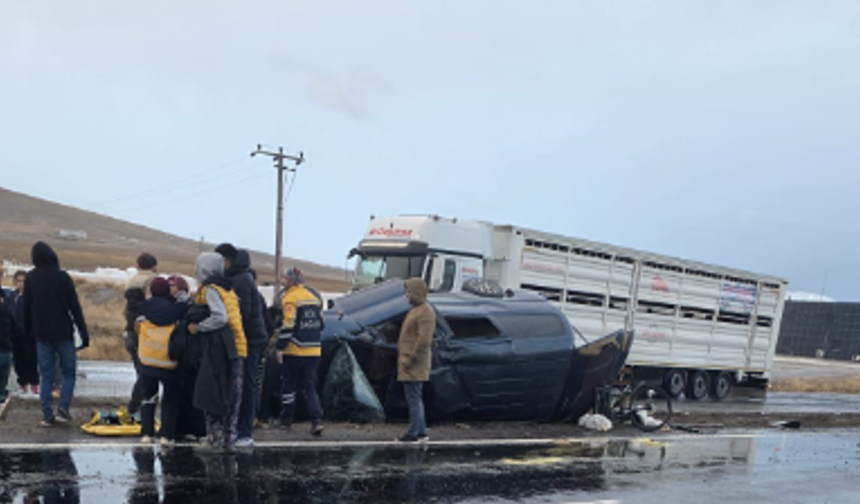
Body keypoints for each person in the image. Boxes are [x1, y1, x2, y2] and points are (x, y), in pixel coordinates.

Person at [22, 242, 89, 426]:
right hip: (63, 332)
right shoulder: (62, 277)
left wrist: (27, 332)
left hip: (41, 333)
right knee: (69, 372)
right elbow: (74, 307)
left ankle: (46, 413)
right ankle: (63, 408)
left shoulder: (31, 278)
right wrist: (83, 332)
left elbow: (26, 307)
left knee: (46, 374)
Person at [188, 252, 247, 449]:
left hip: (219, 348)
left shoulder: (211, 289)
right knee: (233, 394)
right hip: (236, 347)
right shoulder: (228, 288)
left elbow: (220, 317)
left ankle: (213, 437)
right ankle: (230, 438)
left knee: (213, 391)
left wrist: (198, 327)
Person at [215, 244, 269, 448]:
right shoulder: (240, 279)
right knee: (243, 384)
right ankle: (239, 428)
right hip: (248, 339)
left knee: (247, 385)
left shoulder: (241, 281)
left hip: (251, 341)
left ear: (227, 261)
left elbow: (242, 314)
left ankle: (245, 431)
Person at [134, 277, 186, 444]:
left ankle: (146, 433)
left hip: (147, 360)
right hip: (169, 361)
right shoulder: (177, 310)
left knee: (148, 397)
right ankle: (167, 435)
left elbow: (136, 329)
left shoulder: (142, 310)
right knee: (170, 399)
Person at [277, 267, 324, 435]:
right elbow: (321, 323)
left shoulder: (290, 298)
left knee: (289, 386)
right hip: (314, 349)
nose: (281, 281)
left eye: (283, 278)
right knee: (309, 387)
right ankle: (316, 420)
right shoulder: (314, 297)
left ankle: (286, 420)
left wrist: (280, 347)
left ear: (290, 281)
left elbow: (288, 325)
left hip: (295, 350)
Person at [396, 278, 435, 443]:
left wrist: (411, 358)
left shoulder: (425, 312)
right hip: (409, 361)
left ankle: (413, 432)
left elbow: (423, 340)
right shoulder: (416, 310)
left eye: (409, 292)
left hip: (414, 362)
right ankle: (420, 431)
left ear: (417, 292)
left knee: (413, 398)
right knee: (415, 397)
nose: (407, 295)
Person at [168, 275, 206, 441]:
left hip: (186, 352)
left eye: (173, 286)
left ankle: (188, 428)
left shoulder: (183, 304)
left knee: (186, 391)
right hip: (187, 352)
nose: (171, 289)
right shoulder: (182, 303)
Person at [124, 253, 158, 419]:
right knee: (146, 373)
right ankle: (136, 407)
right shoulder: (152, 281)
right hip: (143, 331)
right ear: (154, 266)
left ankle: (137, 406)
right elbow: (152, 306)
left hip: (130, 329)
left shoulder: (132, 280)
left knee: (140, 371)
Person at [10, 270, 39, 399]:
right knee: (18, 361)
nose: (21, 284)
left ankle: (33, 387)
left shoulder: (31, 297)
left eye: (23, 281)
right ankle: (22, 386)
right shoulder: (12, 296)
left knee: (30, 360)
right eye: (18, 281)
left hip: (29, 334)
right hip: (14, 334)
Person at [0, 281, 20, 420]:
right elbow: (16, 330)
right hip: (6, 352)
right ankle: (1, 402)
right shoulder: (7, 312)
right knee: (2, 383)